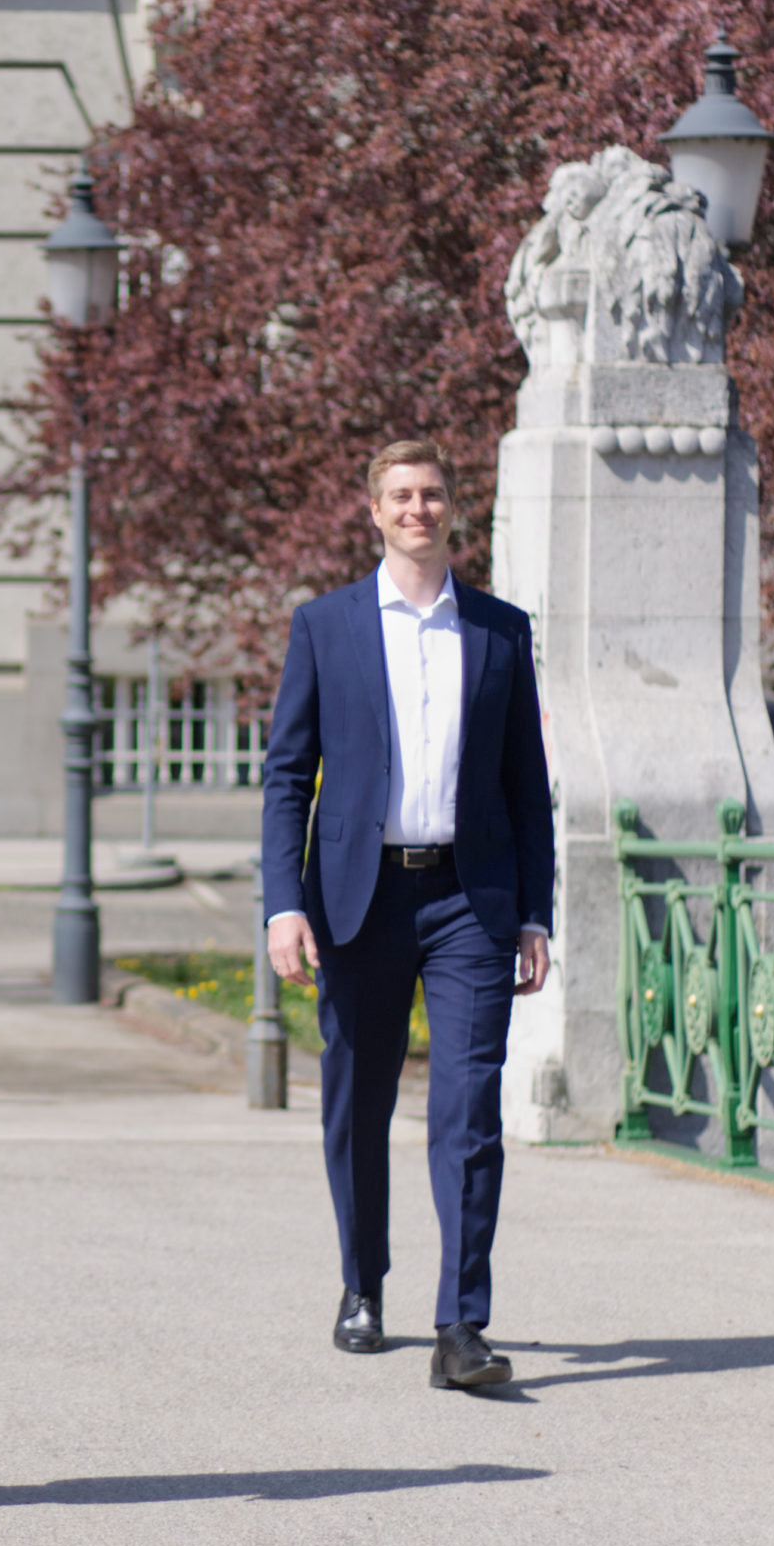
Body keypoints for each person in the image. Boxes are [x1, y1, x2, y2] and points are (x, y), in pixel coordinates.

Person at [259, 441, 553, 1392]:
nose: (417, 509)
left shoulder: (501, 631)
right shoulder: (326, 626)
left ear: (451, 509)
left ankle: (461, 1325)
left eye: (431, 494)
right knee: (360, 1104)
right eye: (400, 496)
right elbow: (285, 778)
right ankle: (362, 1283)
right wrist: (281, 906)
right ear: (373, 511)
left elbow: (526, 786)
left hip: (471, 899)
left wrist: (535, 913)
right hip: (359, 899)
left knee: (468, 1113)